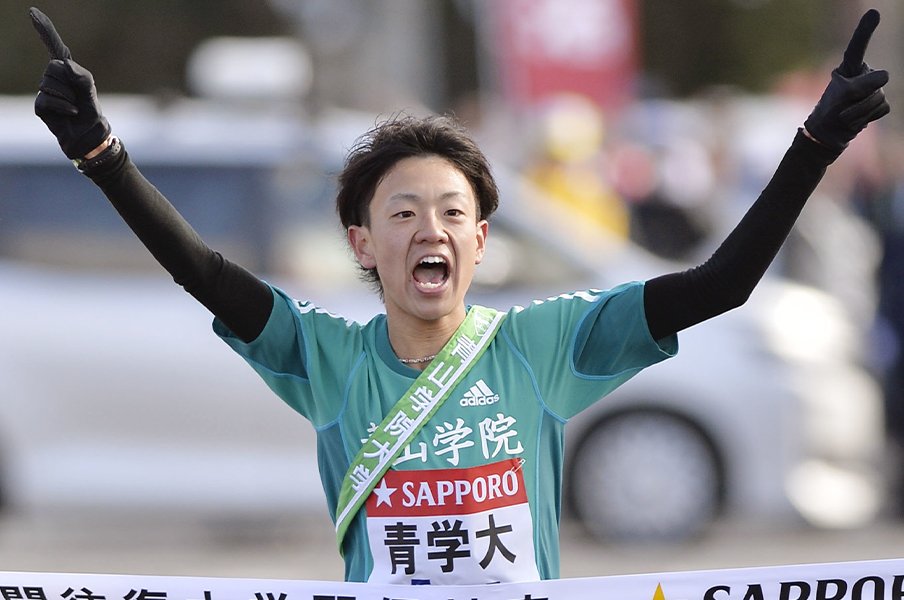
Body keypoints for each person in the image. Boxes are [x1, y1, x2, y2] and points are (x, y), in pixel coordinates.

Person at [29, 6, 889, 586]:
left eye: (452, 212)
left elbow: (720, 285)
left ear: (481, 241)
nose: (429, 229)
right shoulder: (325, 359)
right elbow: (204, 273)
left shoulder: (541, 344)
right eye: (402, 213)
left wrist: (813, 146)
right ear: (363, 244)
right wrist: (103, 155)